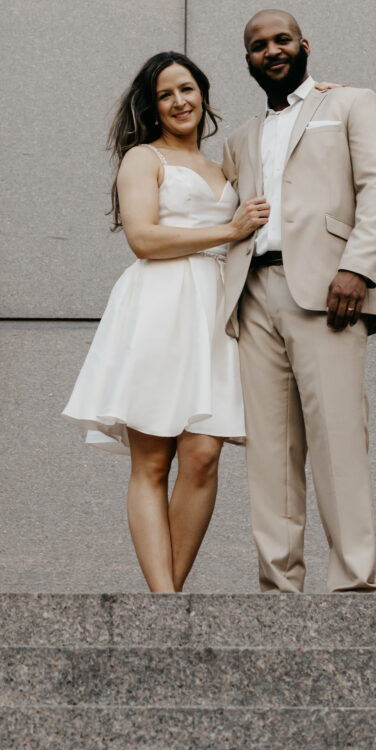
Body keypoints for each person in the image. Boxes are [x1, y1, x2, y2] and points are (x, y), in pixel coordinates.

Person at [62, 51, 268, 593]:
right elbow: (144, 238)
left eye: (187, 89)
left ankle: (166, 604)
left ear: (203, 94)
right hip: (159, 305)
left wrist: (319, 93)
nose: (179, 102)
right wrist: (228, 232)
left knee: (203, 455)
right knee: (152, 462)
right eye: (165, 94)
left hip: (214, 312)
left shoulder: (225, 165)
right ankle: (165, 603)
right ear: (152, 107)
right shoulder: (142, 158)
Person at [221, 10, 376, 593]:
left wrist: (357, 269)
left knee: (339, 438)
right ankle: (278, 591)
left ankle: (353, 585)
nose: (270, 51)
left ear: (303, 44)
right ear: (247, 60)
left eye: (280, 40)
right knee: (269, 454)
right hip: (253, 297)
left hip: (329, 295)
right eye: (257, 46)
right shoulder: (240, 138)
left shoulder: (349, 103)